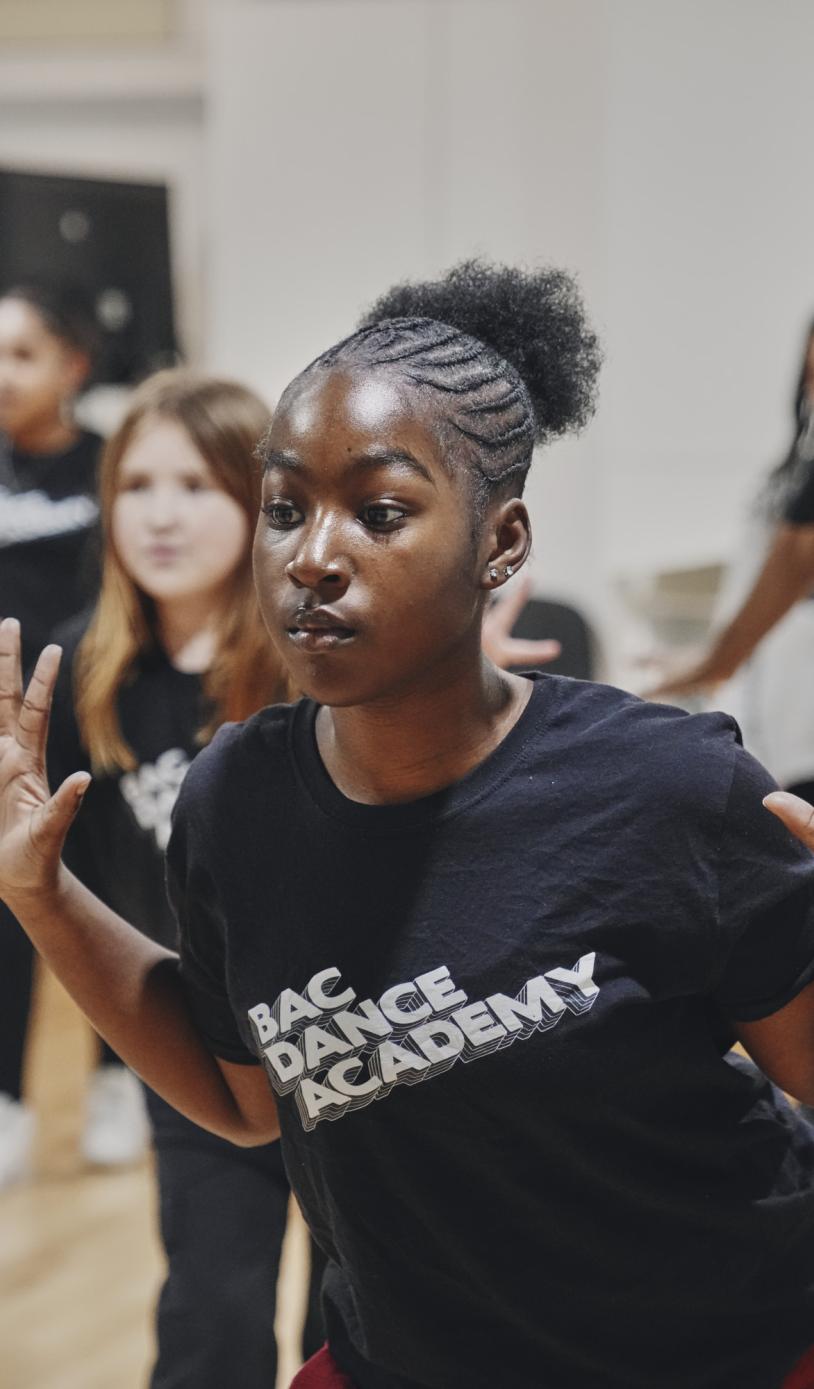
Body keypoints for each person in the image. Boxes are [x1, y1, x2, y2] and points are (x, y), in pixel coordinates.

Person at [2, 260, 814, 1389]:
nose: (312, 556)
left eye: (379, 512)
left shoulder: (666, 788)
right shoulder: (236, 801)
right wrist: (42, 894)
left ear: (502, 541)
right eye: (284, 509)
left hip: (722, 1350)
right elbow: (244, 1098)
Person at [37, 367, 328, 1387]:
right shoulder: (79, 670)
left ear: (264, 505)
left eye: (197, 487)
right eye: (136, 485)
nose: (161, 516)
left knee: (356, 1317)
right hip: (196, 1043)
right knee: (213, 1307)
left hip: (351, 1034)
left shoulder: (321, 655)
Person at [0, 280, 149, 1183]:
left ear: (73, 367)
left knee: (108, 898)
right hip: (3, 740)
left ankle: (113, 1083)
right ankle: (7, 1101)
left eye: (21, 354)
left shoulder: (111, 468)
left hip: (100, 722)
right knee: (8, 912)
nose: (1, 374)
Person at [652, 318, 814, 766]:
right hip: (773, 700)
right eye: (809, 373)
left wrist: (713, 664)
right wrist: (712, 659)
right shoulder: (788, 475)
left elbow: (796, 556)